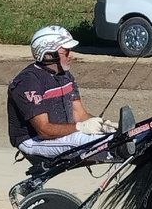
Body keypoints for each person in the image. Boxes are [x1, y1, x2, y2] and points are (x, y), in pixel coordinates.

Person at [8, 25, 117, 159]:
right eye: (66, 51)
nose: (71, 55)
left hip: (64, 134)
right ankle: (118, 149)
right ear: (48, 54)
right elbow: (44, 131)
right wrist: (81, 127)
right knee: (81, 141)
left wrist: (103, 125)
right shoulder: (29, 82)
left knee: (107, 136)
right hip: (34, 140)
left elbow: (79, 114)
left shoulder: (65, 76)